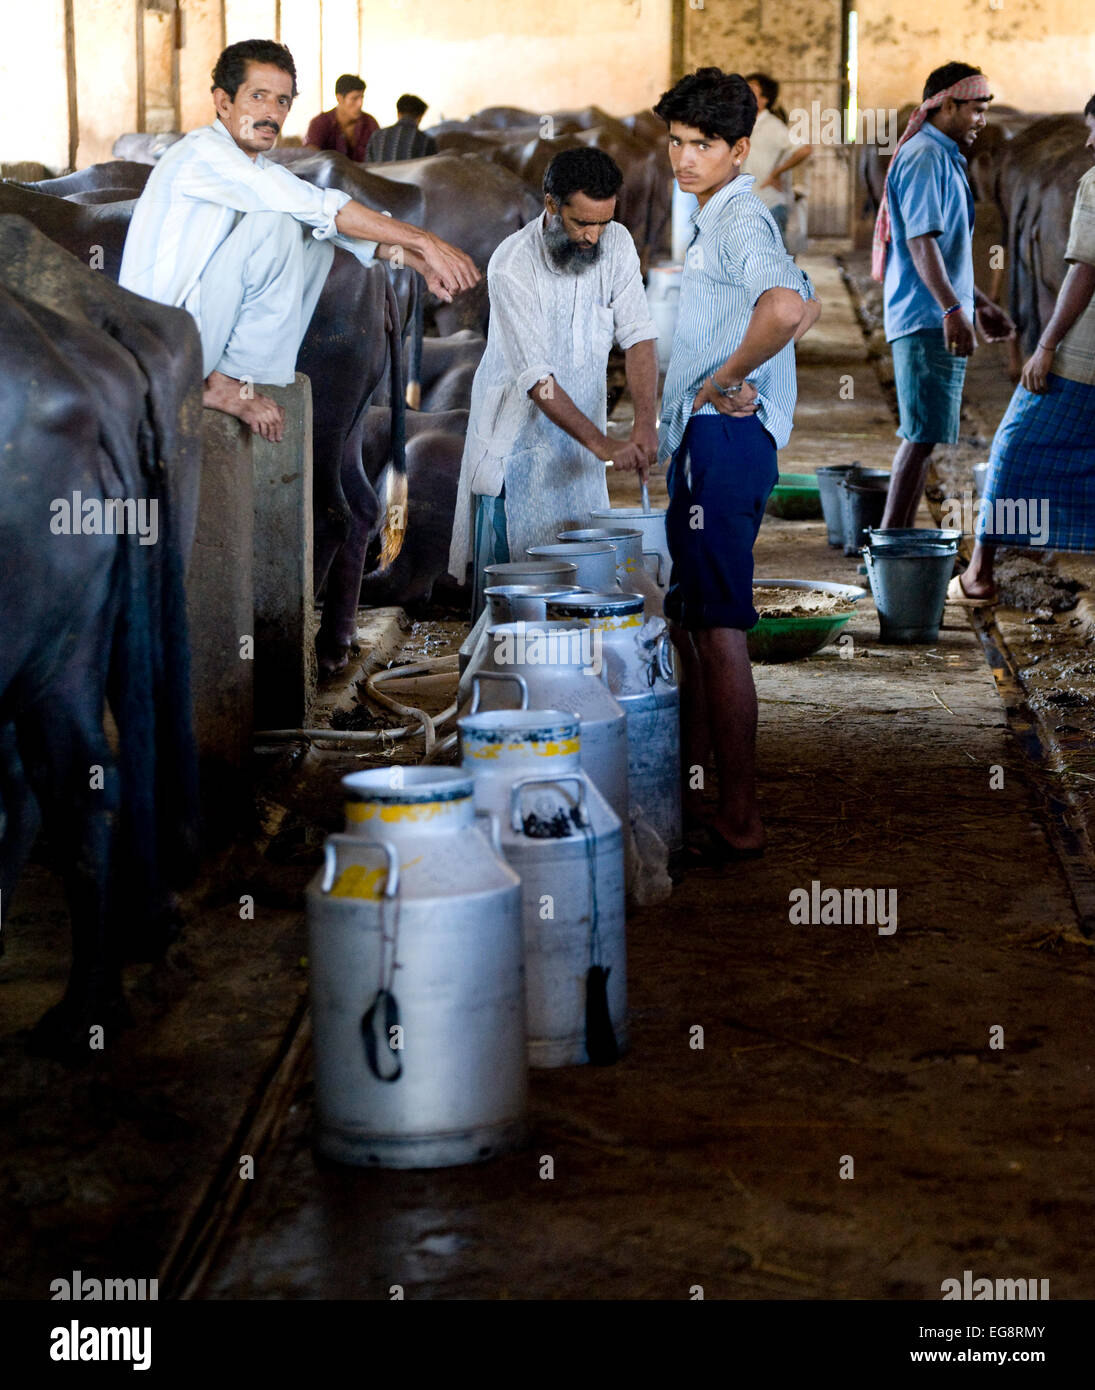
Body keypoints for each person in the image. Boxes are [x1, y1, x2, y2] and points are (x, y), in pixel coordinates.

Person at [119, 40, 478, 442]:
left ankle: (245, 374)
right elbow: (319, 205)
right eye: (258, 97)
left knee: (313, 236)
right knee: (276, 226)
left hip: (190, 333)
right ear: (223, 102)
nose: (272, 113)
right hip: (161, 342)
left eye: (283, 101)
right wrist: (425, 240)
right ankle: (218, 384)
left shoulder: (251, 164)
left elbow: (320, 220)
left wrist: (413, 259)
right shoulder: (203, 154)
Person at [653, 67, 821, 861]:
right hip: (715, 442)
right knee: (693, 619)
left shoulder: (736, 220)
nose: (685, 159)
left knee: (718, 630)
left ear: (740, 149)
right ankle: (691, 785)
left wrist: (725, 378)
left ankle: (740, 818)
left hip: (723, 445)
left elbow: (784, 309)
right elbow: (804, 297)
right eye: (677, 143)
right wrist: (746, 367)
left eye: (704, 145)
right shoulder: (723, 215)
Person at [447, 147, 659, 618]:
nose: (593, 236)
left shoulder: (617, 243)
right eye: (582, 222)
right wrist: (603, 444)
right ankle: (506, 678)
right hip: (515, 443)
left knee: (582, 575)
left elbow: (639, 336)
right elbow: (537, 381)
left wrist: (646, 422)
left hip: (580, 440)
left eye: (603, 222)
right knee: (518, 595)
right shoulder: (512, 264)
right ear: (550, 204)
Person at [952, 96, 1095, 605]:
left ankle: (978, 576)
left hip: (1084, 359)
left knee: (1016, 447)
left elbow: (1082, 271)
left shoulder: (1094, 181)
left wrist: (1045, 346)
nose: (1090, 143)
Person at [872, 61, 1015, 529]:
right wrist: (953, 309)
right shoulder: (926, 157)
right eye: (976, 110)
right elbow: (920, 243)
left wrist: (979, 303)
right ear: (947, 104)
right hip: (924, 318)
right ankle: (890, 547)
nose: (982, 121)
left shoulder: (944, 154)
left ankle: (894, 542)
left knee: (925, 437)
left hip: (935, 313)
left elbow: (944, 249)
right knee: (918, 437)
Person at [742, 72, 811, 245]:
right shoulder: (744, 125)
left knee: (772, 261)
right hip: (749, 203)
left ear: (765, 99)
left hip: (770, 203)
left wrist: (777, 173)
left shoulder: (773, 126)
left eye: (751, 91)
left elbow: (804, 149)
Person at [304, 73, 379, 162]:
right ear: (339, 98)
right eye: (354, 99)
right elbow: (310, 155)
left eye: (362, 97)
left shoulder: (369, 123)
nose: (360, 104)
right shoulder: (320, 123)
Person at [366, 94, 438, 163]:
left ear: (398, 114)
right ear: (420, 117)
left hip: (377, 175)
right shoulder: (426, 140)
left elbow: (368, 166)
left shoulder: (377, 136)